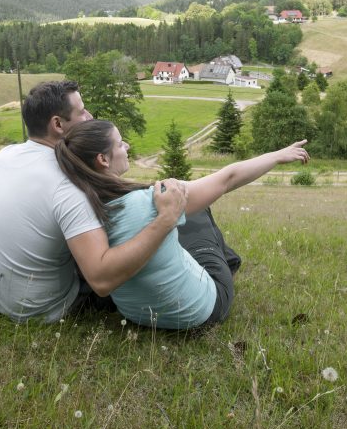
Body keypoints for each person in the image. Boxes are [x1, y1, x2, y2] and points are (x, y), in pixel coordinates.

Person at [55, 119, 309, 330]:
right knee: (197, 211)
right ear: (103, 159)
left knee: (181, 214)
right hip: (201, 311)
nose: (128, 146)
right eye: (120, 143)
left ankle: (218, 255)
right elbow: (227, 179)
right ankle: (227, 262)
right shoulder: (149, 202)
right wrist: (277, 155)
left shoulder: (81, 213)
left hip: (139, 317)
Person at [0, 80, 187, 322]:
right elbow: (101, 279)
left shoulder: (5, 155)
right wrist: (165, 221)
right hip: (39, 309)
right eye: (82, 111)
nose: (90, 116)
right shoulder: (70, 182)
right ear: (58, 124)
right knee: (179, 224)